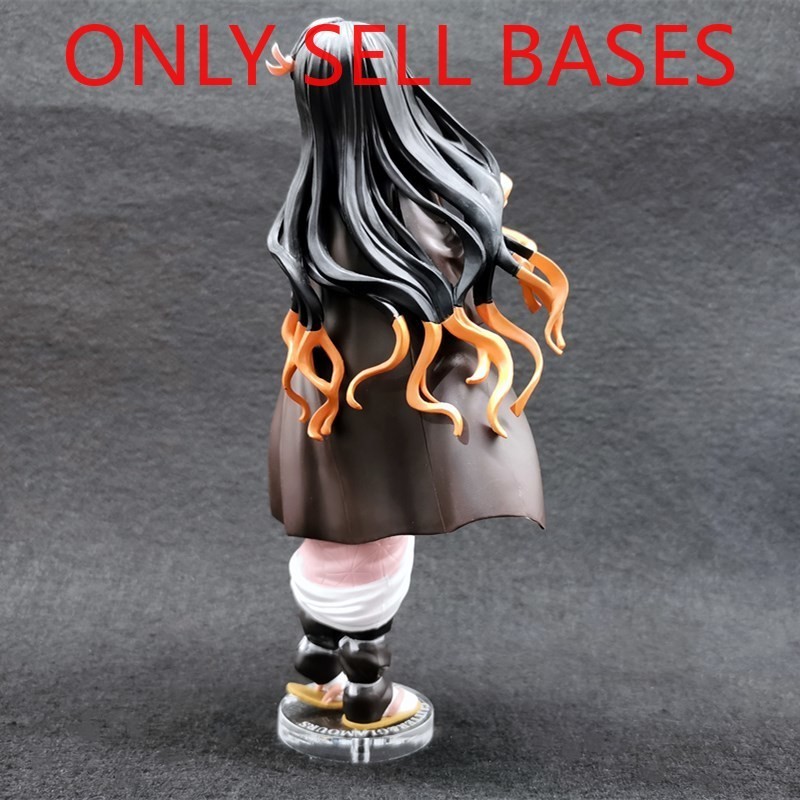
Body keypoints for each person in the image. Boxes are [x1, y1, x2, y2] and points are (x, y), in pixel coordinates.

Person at [266, 18, 568, 730]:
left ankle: (316, 667)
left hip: (329, 396)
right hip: (391, 402)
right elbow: (456, 250)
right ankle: (366, 693)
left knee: (337, 525)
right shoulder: (407, 205)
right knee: (375, 528)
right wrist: (482, 204)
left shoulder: (311, 206)